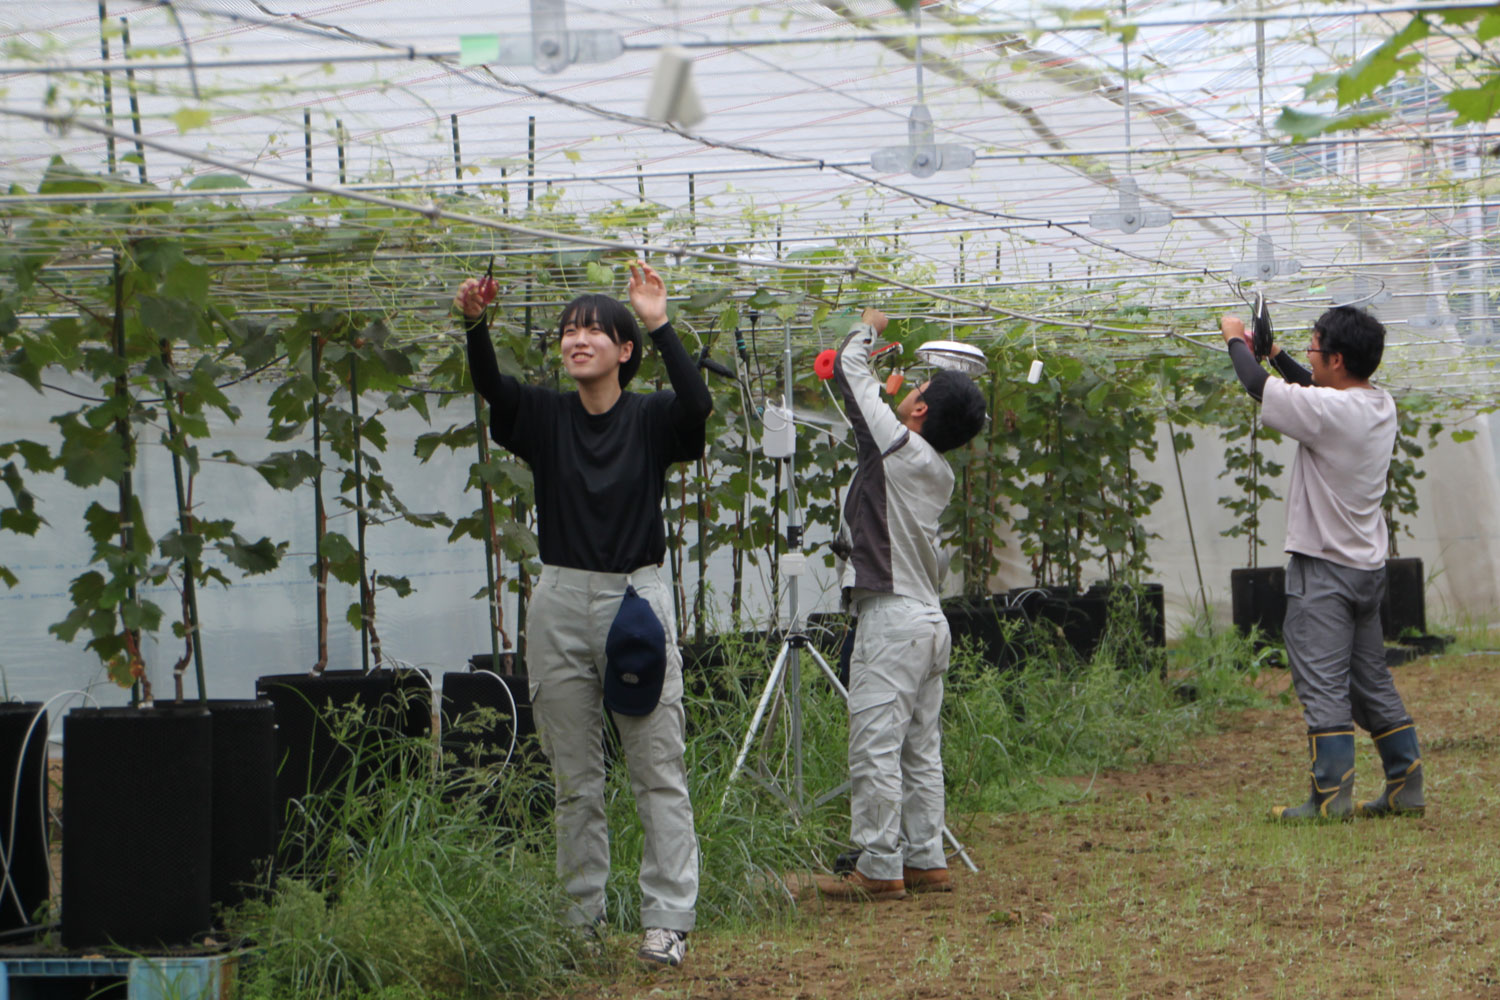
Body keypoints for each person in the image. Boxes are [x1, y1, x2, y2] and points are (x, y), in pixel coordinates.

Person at [455, 261, 712, 966]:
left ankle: (667, 920)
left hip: (635, 598)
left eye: (596, 329)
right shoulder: (543, 416)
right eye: (570, 330)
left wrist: (660, 322)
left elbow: (697, 408)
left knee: (656, 766)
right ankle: (581, 922)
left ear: (625, 351)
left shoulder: (653, 418)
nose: (578, 339)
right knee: (575, 778)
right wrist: (476, 324)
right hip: (561, 597)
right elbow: (492, 388)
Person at [1221, 305, 1424, 820]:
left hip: (1324, 575)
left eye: (1313, 348)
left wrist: (1235, 342)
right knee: (1370, 680)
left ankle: (1330, 799)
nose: (1308, 356)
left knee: (1323, 684)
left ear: (1336, 358)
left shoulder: (1329, 414)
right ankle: (1406, 786)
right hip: (1364, 571)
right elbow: (1311, 390)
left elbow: (1256, 385)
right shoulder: (1379, 404)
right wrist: (1280, 355)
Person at [816, 308, 987, 901]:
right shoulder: (936, 469)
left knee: (875, 745)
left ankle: (879, 867)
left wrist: (869, 326)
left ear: (917, 412)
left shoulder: (895, 447)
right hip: (929, 623)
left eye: (915, 389)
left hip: (892, 619)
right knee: (919, 749)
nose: (907, 390)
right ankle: (926, 859)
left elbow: (847, 369)